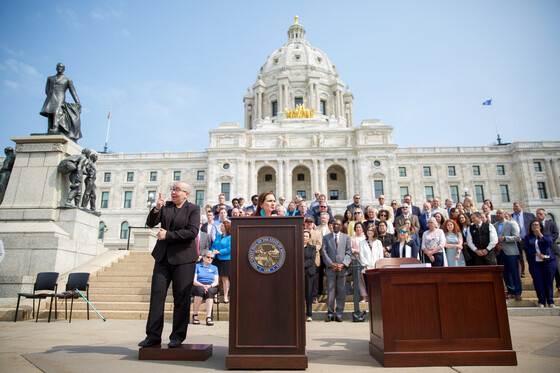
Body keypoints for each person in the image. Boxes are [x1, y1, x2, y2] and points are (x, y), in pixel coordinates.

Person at [139, 181, 200, 348]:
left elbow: (192, 232)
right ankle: (152, 335)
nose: (174, 192)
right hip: (163, 258)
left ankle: (177, 336)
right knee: (157, 296)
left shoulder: (193, 209)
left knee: (181, 298)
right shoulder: (165, 206)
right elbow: (151, 223)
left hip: (184, 259)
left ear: (187, 194)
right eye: (173, 189)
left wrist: (168, 235)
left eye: (178, 190)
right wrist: (156, 209)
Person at [40, 62, 82, 142]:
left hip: (60, 96)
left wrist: (78, 102)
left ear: (64, 69)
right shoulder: (50, 78)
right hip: (51, 96)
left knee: (57, 111)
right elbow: (47, 90)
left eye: (61, 67)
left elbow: (73, 92)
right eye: (58, 66)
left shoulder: (67, 80)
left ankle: (55, 127)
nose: (60, 68)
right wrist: (51, 94)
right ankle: (50, 129)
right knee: (50, 113)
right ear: (56, 68)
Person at [322, 219, 352, 322]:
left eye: (338, 224)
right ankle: (330, 313)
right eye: (334, 224)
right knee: (330, 292)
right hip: (331, 269)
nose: (336, 226)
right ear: (332, 225)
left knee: (341, 292)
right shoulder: (326, 237)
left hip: (342, 269)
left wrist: (343, 264)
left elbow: (349, 252)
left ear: (341, 226)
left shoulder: (346, 237)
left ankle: (339, 313)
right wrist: (330, 264)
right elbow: (324, 252)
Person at [524, 221, 558, 308]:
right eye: (532, 225)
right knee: (538, 282)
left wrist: (540, 234)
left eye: (536, 225)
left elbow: (548, 243)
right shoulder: (528, 237)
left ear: (540, 227)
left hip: (548, 262)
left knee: (548, 281)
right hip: (535, 263)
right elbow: (527, 248)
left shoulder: (546, 235)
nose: (534, 227)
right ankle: (541, 301)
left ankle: (550, 301)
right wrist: (537, 254)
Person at [494, 209, 522, 299]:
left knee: (514, 272)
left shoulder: (511, 223)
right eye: (497, 213)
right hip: (500, 251)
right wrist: (497, 245)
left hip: (511, 252)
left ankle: (518, 292)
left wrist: (505, 238)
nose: (498, 215)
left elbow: (517, 237)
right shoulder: (494, 225)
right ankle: (510, 291)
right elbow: (493, 238)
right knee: (505, 273)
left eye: (500, 213)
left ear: (504, 214)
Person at [191, 250, 219, 326]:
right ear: (203, 257)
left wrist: (209, 286)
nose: (210, 259)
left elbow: (216, 281)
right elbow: (194, 280)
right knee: (200, 290)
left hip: (210, 285)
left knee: (210, 292)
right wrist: (202, 286)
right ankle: (195, 315)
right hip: (198, 284)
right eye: (208, 257)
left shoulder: (214, 268)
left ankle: (208, 317)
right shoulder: (197, 266)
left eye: (212, 258)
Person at [535, 209, 560, 291]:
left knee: (556, 267)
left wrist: (547, 241)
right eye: (537, 214)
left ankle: (559, 284)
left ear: (545, 215)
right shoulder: (535, 225)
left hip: (552, 248)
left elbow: (556, 234)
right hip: (541, 250)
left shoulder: (551, 223)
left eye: (540, 214)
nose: (539, 215)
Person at [512, 202, 536, 279]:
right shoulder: (511, 216)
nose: (515, 208)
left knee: (530, 255)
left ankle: (533, 271)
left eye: (516, 206)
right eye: (514, 207)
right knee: (519, 257)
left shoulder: (529, 215)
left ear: (521, 207)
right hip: (517, 240)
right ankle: (521, 272)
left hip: (527, 239)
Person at [212, 220, 232, 303]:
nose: (221, 227)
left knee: (224, 278)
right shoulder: (218, 236)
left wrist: (219, 252)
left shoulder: (230, 237)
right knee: (216, 278)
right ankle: (215, 296)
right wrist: (213, 251)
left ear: (227, 227)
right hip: (216, 259)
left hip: (225, 260)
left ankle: (225, 296)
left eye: (222, 226)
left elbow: (229, 249)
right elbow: (213, 245)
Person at [350, 222, 367, 302]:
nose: (358, 229)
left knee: (366, 278)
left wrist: (360, 252)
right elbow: (350, 249)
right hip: (356, 260)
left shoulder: (366, 238)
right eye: (357, 227)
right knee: (359, 279)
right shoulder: (352, 238)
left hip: (366, 261)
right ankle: (364, 296)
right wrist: (357, 251)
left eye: (360, 227)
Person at [303, 230, 317, 321]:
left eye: (306, 236)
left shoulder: (312, 248)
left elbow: (312, 260)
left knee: (309, 294)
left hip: (309, 272)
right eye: (303, 236)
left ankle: (309, 315)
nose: (304, 237)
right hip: (298, 273)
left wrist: (302, 265)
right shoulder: (296, 246)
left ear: (309, 238)